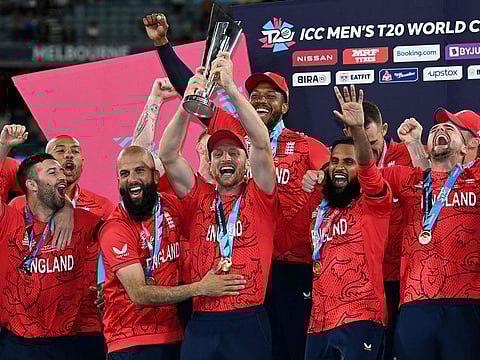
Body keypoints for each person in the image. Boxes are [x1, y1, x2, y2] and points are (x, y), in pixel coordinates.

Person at [143, 13, 329, 360]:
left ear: (285, 105)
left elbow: (339, 183)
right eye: (254, 94)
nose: (260, 100)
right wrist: (162, 46)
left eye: (270, 96)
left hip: (289, 265)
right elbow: (192, 93)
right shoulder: (231, 127)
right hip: (232, 268)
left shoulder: (307, 145)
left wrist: (322, 179)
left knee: (288, 347)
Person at [158, 52, 280, 360]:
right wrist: (188, 105)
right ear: (210, 164)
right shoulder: (199, 196)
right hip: (202, 320)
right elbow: (168, 154)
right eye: (218, 154)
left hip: (248, 319)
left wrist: (229, 87)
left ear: (246, 162)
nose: (226, 158)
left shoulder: (260, 195)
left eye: (233, 153)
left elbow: (261, 141)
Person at [99, 145, 245, 359]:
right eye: (124, 173)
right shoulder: (115, 228)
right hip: (130, 342)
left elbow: (208, 225)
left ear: (156, 176)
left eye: (140, 170)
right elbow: (139, 293)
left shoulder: (172, 207)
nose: (132, 179)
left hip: (175, 335)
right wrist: (201, 288)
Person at [291, 86, 392, 360]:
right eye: (334, 161)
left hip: (361, 316)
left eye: (349, 162)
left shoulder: (375, 202)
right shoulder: (320, 207)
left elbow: (369, 169)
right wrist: (315, 178)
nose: (339, 166)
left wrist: (358, 129)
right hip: (319, 322)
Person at [381, 110, 480, 360]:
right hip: (417, 298)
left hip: (467, 299)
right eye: (437, 128)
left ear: (472, 142)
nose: (439, 130)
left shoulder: (475, 179)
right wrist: (415, 146)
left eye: (452, 127)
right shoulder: (415, 179)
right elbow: (430, 185)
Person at [7, 130, 114, 359]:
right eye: (60, 152)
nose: (68, 156)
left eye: (75, 151)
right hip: (24, 331)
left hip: (81, 327)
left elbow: (120, 247)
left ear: (83, 162)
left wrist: (113, 284)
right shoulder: (18, 207)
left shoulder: (100, 208)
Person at [344, 100, 412, 359]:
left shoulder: (406, 154)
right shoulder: (341, 162)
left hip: (402, 273)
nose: (367, 153)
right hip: (363, 275)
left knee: (402, 345)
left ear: (384, 129)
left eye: (372, 144)